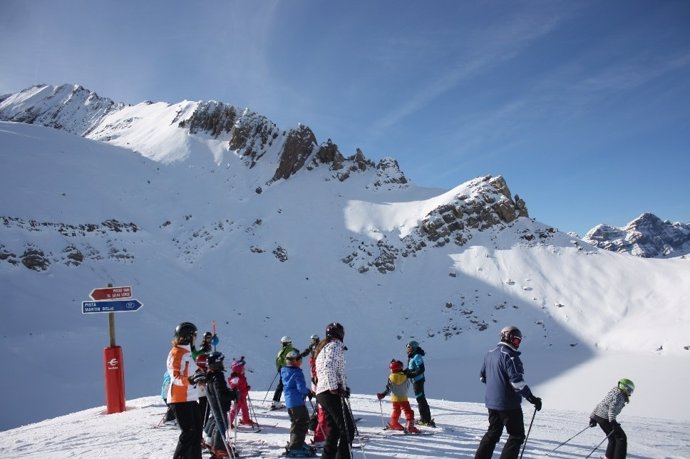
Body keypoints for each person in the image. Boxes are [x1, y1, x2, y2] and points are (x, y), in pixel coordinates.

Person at [474, 325, 542, 459]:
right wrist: (532, 398)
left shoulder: (490, 354)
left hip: (492, 403)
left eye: (519, 341)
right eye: (516, 340)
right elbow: (517, 383)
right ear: (507, 337)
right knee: (516, 435)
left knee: (493, 432)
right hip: (508, 404)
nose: (517, 344)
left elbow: (483, 377)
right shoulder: (510, 356)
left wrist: (496, 385)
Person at [167, 321, 206, 459]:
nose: (196, 338)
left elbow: (195, 370)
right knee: (188, 432)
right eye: (194, 335)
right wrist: (190, 380)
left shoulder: (187, 353)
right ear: (188, 336)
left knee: (196, 433)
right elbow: (175, 376)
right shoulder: (176, 353)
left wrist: (203, 376)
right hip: (179, 399)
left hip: (190, 397)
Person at [315, 322, 354, 459]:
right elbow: (329, 367)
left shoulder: (324, 348)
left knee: (335, 430)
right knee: (348, 429)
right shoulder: (335, 346)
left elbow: (328, 369)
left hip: (323, 392)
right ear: (340, 334)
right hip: (329, 392)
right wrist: (334, 388)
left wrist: (342, 387)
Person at [281, 350, 317, 457]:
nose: (301, 361)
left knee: (296, 423)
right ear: (295, 361)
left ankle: (297, 442)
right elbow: (300, 388)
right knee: (302, 422)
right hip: (297, 402)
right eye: (299, 359)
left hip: (290, 401)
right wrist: (308, 392)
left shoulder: (285, 370)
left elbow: (293, 385)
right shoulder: (297, 372)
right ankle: (296, 446)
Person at [204, 351, 238, 459]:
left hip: (215, 404)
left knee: (217, 420)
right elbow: (221, 394)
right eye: (221, 362)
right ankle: (219, 447)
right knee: (222, 423)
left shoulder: (211, 375)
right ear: (217, 364)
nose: (223, 364)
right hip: (219, 405)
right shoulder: (217, 376)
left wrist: (229, 392)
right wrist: (233, 394)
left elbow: (219, 390)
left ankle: (213, 442)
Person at [589, 378, 635, 459]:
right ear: (625, 387)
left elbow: (601, 404)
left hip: (599, 416)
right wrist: (613, 422)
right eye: (629, 389)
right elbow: (612, 409)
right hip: (605, 418)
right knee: (621, 438)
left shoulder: (614, 392)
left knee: (612, 439)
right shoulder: (619, 396)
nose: (630, 392)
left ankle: (608, 457)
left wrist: (593, 417)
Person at [377, 359, 420, 433]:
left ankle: (394, 423)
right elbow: (415, 373)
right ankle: (410, 426)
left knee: (396, 411)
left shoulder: (391, 377)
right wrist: (418, 369)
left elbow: (388, 389)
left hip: (394, 398)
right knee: (408, 412)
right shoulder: (406, 375)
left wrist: (382, 395)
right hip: (403, 398)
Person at [404, 340, 435, 427]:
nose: (407, 349)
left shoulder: (417, 356)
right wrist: (402, 372)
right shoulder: (412, 356)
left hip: (418, 381)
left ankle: (425, 420)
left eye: (409, 347)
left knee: (420, 400)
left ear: (413, 348)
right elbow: (410, 368)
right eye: (407, 348)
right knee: (420, 399)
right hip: (415, 380)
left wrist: (411, 374)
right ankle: (425, 419)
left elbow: (421, 369)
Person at [306, 334, 329, 445]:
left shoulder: (313, 358)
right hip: (320, 388)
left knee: (319, 409)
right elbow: (316, 376)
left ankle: (313, 427)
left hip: (317, 388)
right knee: (321, 411)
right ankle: (317, 433)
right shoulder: (316, 361)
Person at [272, 336, 298, 410]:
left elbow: (279, 361)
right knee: (292, 384)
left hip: (283, 370)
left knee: (281, 384)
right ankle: (294, 401)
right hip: (290, 370)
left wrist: (279, 368)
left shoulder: (282, 351)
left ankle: (276, 401)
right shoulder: (293, 350)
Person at [228, 357, 254, 427]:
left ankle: (246, 420)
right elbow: (233, 387)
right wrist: (245, 389)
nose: (244, 369)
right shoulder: (236, 378)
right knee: (235, 410)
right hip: (238, 397)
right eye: (242, 368)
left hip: (243, 396)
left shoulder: (241, 376)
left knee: (245, 408)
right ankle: (229, 423)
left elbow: (243, 384)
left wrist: (246, 388)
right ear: (238, 369)